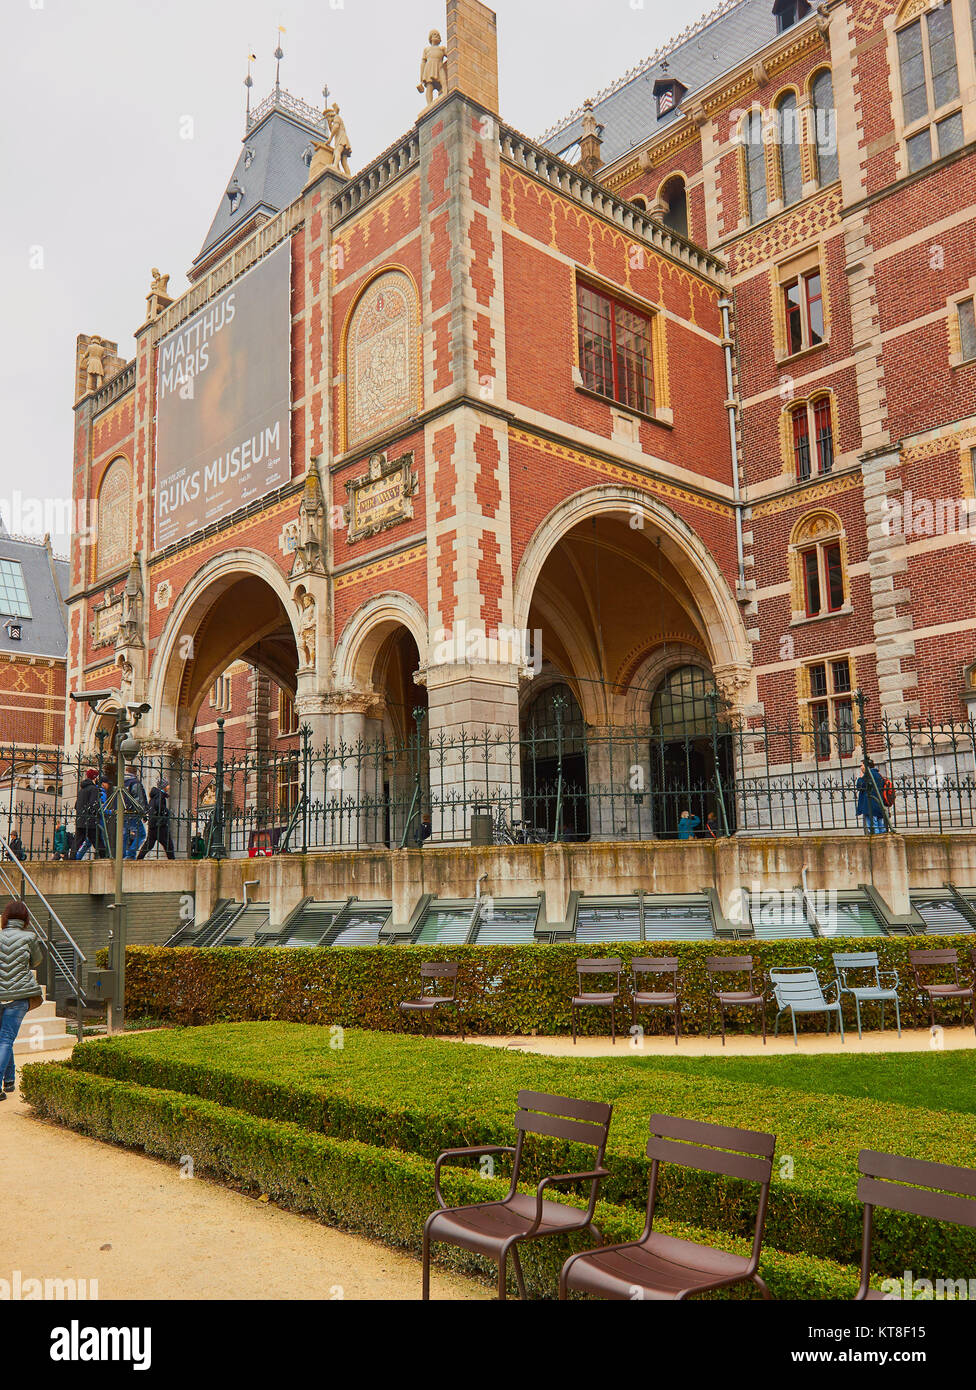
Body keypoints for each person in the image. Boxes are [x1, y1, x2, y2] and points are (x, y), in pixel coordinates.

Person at [0, 900, 44, 1101]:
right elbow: (36, 961)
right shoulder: (30, 937)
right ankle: (6, 1081)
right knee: (6, 1039)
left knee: (4, 1039)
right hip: (19, 996)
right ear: (25, 918)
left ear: (5, 916)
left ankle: (9, 1081)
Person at [137, 780, 175, 860]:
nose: (169, 787)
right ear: (164, 786)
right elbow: (159, 807)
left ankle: (139, 858)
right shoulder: (160, 796)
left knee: (149, 844)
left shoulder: (155, 796)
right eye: (167, 785)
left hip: (153, 824)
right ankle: (172, 861)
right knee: (168, 844)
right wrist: (165, 812)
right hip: (160, 824)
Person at [856, 759, 889, 834]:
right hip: (878, 804)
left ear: (866, 766)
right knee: (881, 826)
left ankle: (877, 843)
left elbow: (860, 786)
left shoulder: (868, 775)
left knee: (873, 827)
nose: (861, 767)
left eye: (862, 765)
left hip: (870, 805)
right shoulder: (878, 774)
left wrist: (860, 778)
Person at [74, 768, 100, 859]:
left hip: (80, 820)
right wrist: (97, 813)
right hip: (89, 820)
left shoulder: (82, 790)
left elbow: (76, 805)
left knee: (77, 842)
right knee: (97, 841)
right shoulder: (93, 789)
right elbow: (93, 804)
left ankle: (71, 858)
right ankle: (105, 857)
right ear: (94, 778)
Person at [123, 768, 148, 860]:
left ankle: (123, 855)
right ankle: (130, 854)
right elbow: (139, 800)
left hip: (123, 813)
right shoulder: (134, 783)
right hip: (133, 813)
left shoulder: (122, 783)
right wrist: (143, 813)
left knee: (125, 835)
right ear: (135, 772)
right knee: (141, 834)